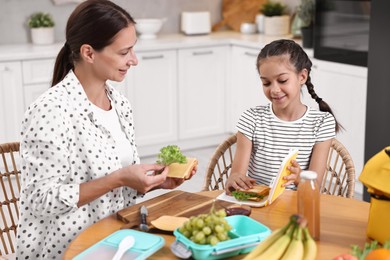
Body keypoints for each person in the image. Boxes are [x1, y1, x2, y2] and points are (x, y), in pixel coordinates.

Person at [16, 0, 196, 258]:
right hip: (68, 247)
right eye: (124, 52)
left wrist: (153, 183)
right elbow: (41, 200)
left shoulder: (120, 104)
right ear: (89, 53)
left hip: (116, 238)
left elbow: (113, 186)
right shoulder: (51, 110)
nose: (134, 60)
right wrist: (120, 178)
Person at [225, 39, 341, 194]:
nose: (274, 89)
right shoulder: (251, 118)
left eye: (282, 80)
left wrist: (300, 177)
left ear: (302, 77)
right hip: (258, 204)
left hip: (296, 206)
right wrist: (235, 180)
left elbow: (316, 186)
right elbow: (236, 175)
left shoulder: (321, 122)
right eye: (266, 83)